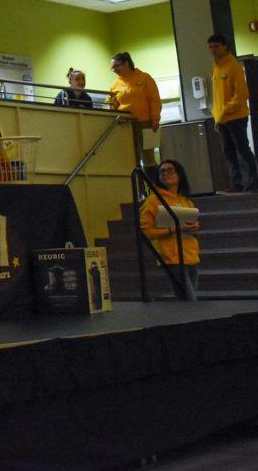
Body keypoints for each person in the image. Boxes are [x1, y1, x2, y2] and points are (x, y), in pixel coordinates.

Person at [138, 159, 201, 300]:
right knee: (190, 301)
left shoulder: (186, 201)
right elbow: (145, 232)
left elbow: (190, 228)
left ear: (179, 174)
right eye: (162, 171)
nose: (166, 173)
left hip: (191, 255)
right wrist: (173, 229)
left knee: (189, 303)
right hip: (172, 257)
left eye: (170, 170)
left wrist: (193, 229)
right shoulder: (153, 201)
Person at [208, 33, 258, 193]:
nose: (213, 50)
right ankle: (237, 184)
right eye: (210, 47)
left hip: (236, 117)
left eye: (216, 46)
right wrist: (218, 117)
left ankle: (254, 182)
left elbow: (242, 95)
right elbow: (217, 97)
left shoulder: (234, 66)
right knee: (228, 153)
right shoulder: (216, 68)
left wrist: (225, 112)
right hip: (222, 119)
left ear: (225, 47)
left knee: (242, 149)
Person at [107, 51, 161, 131]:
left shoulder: (144, 78)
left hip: (145, 123)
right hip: (124, 125)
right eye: (112, 68)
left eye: (116, 66)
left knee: (146, 144)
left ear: (126, 64)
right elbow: (110, 105)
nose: (114, 70)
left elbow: (154, 100)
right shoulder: (115, 85)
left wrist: (155, 119)